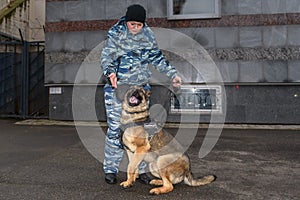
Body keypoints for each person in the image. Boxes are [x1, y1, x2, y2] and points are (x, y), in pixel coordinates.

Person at [100, 4, 182, 184]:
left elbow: (157, 58)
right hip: (118, 88)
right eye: (132, 24)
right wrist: (110, 72)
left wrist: (173, 74)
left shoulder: (148, 35)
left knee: (141, 133)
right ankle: (111, 170)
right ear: (126, 21)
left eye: (139, 25)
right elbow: (107, 56)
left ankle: (140, 170)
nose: (135, 28)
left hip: (140, 92)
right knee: (115, 130)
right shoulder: (116, 33)